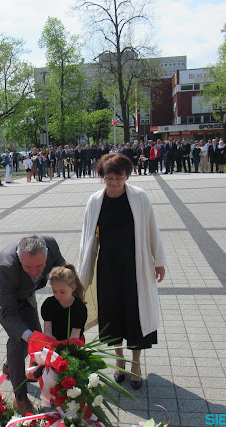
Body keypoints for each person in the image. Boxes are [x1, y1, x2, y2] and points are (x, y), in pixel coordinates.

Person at [77, 153, 166, 390]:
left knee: (135, 315)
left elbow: (152, 229)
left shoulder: (139, 197)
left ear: (127, 176)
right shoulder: (95, 201)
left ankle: (135, 364)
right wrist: (82, 275)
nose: (114, 183)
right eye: (109, 178)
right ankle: (119, 361)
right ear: (102, 177)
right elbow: (86, 239)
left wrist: (159, 261)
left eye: (119, 178)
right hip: (107, 267)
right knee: (112, 315)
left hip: (135, 265)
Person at [0, 235, 66, 415]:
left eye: (39, 266)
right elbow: (8, 313)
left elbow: (64, 273)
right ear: (18, 257)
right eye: (28, 267)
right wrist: (29, 336)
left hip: (23, 290)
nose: (34, 272)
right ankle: (20, 398)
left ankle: (11, 367)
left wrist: (75, 296)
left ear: (47, 253)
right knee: (19, 338)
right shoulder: (6, 266)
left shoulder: (51, 245)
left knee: (36, 336)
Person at [41, 264, 87, 342]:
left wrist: (65, 346)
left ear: (73, 288)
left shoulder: (79, 307)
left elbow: (74, 336)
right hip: (54, 341)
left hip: (74, 343)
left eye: (62, 292)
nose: (58, 296)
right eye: (54, 291)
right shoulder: (49, 304)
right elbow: (47, 331)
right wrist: (52, 342)